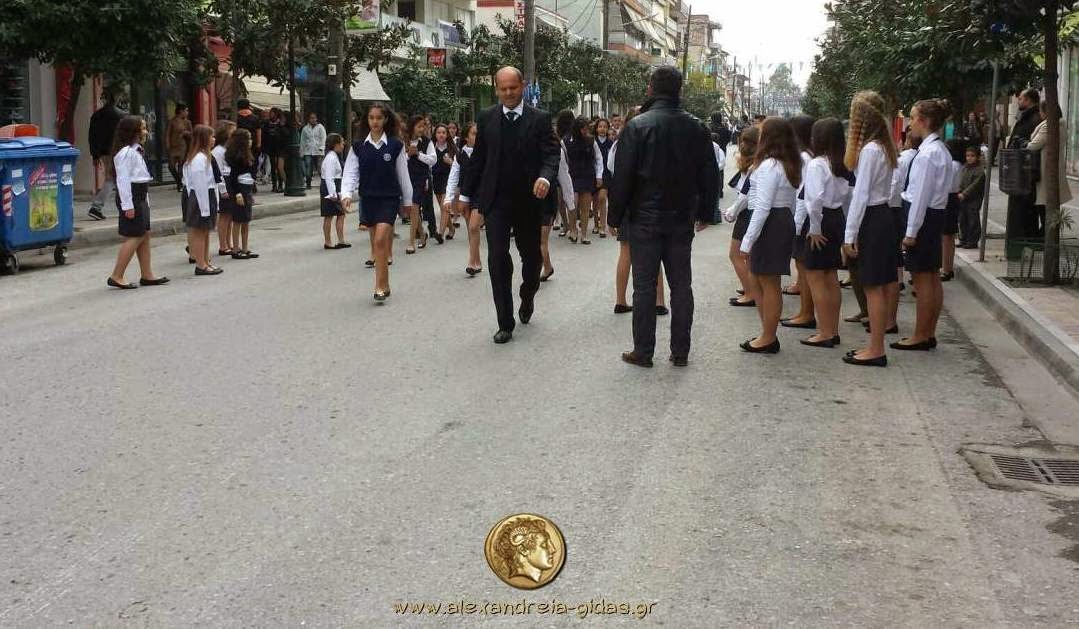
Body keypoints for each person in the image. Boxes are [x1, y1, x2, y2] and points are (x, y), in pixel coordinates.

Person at [608, 66, 718, 367]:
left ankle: (643, 351)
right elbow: (709, 174)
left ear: (650, 89)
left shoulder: (637, 126)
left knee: (644, 286)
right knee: (681, 285)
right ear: (680, 90)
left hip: (644, 217)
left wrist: (614, 216)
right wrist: (706, 211)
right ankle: (680, 351)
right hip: (681, 217)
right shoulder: (697, 127)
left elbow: (623, 176)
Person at [460, 66, 561, 344]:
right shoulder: (486, 117)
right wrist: (465, 195)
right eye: (502, 89)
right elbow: (479, 159)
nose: (508, 93)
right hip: (497, 202)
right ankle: (505, 322)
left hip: (530, 201)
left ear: (522, 86)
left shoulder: (540, 119)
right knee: (497, 259)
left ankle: (527, 295)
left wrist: (545, 177)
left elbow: (551, 155)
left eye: (513, 88)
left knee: (532, 259)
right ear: (496, 89)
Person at [841, 90, 899, 367]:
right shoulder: (884, 147)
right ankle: (876, 345)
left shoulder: (870, 151)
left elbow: (861, 195)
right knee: (880, 286)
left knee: (873, 287)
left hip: (872, 218)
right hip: (882, 215)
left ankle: (876, 349)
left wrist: (849, 235)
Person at [737, 117, 800, 355]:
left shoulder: (769, 166)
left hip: (770, 222)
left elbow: (763, 206)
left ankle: (768, 336)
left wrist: (747, 241)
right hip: (781, 219)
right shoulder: (786, 164)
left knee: (768, 282)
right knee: (762, 278)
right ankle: (767, 331)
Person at [340, 102, 415, 302]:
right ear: (367, 120)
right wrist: (346, 194)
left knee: (381, 239)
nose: (375, 122)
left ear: (386, 119)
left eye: (379, 118)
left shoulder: (395, 145)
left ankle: (380, 286)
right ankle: (384, 282)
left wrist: (408, 200)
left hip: (389, 199)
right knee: (376, 243)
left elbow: (403, 175)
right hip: (368, 198)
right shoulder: (358, 147)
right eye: (371, 118)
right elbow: (350, 172)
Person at [896, 98, 952, 352]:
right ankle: (928, 332)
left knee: (922, 279)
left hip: (923, 217)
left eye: (913, 117)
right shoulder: (939, 150)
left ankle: (921, 334)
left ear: (925, 121)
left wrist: (910, 232)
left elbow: (920, 196)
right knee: (931, 276)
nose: (910, 124)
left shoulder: (927, 155)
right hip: (933, 215)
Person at [607, 107, 668, 317]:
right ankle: (659, 301)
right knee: (655, 253)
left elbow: (613, 173)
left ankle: (620, 300)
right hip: (649, 203)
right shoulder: (654, 143)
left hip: (626, 202)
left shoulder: (618, 146)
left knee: (626, 252)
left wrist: (613, 214)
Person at [799, 118, 849, 348]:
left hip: (822, 220)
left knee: (816, 276)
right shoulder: (840, 162)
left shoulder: (817, 164)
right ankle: (833, 329)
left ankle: (825, 332)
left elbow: (814, 200)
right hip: (836, 216)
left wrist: (815, 228)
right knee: (830, 276)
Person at [107, 115, 168, 289]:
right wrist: (128, 205)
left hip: (140, 195)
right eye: (142, 128)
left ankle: (147, 274)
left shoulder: (136, 151)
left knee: (144, 233)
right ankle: (117, 275)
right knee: (136, 235)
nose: (146, 132)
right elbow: (123, 180)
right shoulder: (126, 153)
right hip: (132, 197)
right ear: (133, 131)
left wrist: (144, 200)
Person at [782, 114, 817, 327]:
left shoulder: (803, 158)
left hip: (803, 218)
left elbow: (803, 195)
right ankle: (805, 312)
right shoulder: (809, 155)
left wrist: (795, 225)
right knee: (802, 266)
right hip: (804, 217)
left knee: (804, 268)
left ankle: (806, 313)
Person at [723, 126, 760, 307]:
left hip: (747, 213)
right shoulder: (759, 162)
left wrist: (732, 212)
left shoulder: (752, 166)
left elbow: (745, 195)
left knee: (736, 254)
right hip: (752, 212)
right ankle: (752, 288)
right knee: (749, 256)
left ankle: (750, 292)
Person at [1027, 100, 1073, 238]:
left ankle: (1046, 237)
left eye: (1041, 111)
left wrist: (1026, 143)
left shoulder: (1050, 125)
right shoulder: (1061, 124)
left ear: (1046, 112)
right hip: (1051, 166)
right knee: (1048, 203)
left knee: (1045, 203)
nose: (1039, 114)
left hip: (1046, 167)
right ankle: (1047, 235)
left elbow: (1034, 145)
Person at [1004, 88, 1042, 256]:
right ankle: (1019, 249)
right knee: (1023, 214)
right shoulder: (1025, 117)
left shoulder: (1033, 119)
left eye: (1020, 98)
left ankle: (1018, 250)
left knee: (1022, 214)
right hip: (1020, 172)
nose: (1018, 101)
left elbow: (1030, 147)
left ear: (1028, 100)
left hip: (1024, 173)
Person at [445, 122, 484, 275]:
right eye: (474, 134)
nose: (477, 137)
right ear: (466, 137)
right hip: (466, 195)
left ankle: (471, 262)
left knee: (474, 226)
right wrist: (448, 198)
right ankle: (477, 261)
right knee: (471, 229)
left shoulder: (486, 153)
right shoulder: (460, 155)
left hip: (482, 194)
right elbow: (453, 177)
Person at [182, 125, 222, 275]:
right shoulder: (198, 159)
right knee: (199, 232)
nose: (214, 139)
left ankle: (206, 261)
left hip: (208, 195)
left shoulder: (206, 156)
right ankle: (200, 264)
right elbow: (199, 185)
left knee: (205, 232)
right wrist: (204, 208)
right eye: (211, 137)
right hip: (201, 197)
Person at [87, 86, 125, 220]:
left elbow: (92, 136)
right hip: (116, 151)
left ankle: (123, 206)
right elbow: (123, 136)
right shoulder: (120, 115)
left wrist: (95, 155)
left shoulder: (96, 116)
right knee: (112, 179)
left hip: (103, 152)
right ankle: (97, 206)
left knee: (115, 178)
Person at [564, 116, 601, 244]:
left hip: (587, 175)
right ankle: (573, 230)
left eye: (587, 129)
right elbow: (563, 159)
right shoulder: (566, 141)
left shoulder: (591, 141)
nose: (585, 131)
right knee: (572, 204)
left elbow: (598, 158)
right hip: (572, 176)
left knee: (585, 206)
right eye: (583, 129)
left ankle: (584, 234)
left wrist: (599, 176)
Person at [404, 115, 438, 252]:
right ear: (412, 127)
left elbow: (433, 160)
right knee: (412, 209)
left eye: (423, 126)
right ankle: (422, 235)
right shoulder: (404, 141)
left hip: (421, 178)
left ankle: (411, 242)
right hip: (407, 177)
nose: (422, 129)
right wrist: (408, 155)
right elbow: (399, 161)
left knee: (414, 206)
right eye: (419, 126)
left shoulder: (427, 142)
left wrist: (418, 154)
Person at [225, 129, 259, 260]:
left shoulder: (248, 154)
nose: (251, 141)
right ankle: (235, 249)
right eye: (249, 138)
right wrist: (238, 193)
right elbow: (233, 177)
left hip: (247, 187)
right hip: (240, 188)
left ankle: (245, 248)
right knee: (238, 220)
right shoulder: (236, 157)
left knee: (246, 219)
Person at [941, 138, 966, 281]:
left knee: (946, 236)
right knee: (948, 236)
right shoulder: (959, 165)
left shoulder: (953, 165)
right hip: (952, 198)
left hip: (948, 198)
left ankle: (946, 268)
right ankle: (947, 267)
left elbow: (947, 184)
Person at [211, 120, 237, 256]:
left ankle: (229, 242)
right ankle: (223, 244)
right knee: (224, 215)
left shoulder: (228, 149)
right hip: (223, 181)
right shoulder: (218, 151)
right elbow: (218, 171)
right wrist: (223, 189)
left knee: (230, 214)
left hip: (229, 179)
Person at [320, 133, 349, 250]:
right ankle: (328, 241)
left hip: (334, 186)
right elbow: (329, 177)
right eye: (341, 143)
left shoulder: (333, 156)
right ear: (336, 144)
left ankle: (340, 240)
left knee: (339, 214)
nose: (343, 145)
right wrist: (333, 194)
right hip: (330, 188)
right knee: (330, 215)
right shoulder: (331, 158)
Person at [431, 124, 457, 240]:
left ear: (447, 135)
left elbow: (459, 165)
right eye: (439, 132)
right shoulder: (431, 147)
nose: (441, 135)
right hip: (436, 179)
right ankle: (451, 229)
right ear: (435, 134)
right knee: (443, 208)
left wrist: (451, 162)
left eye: (443, 133)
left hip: (448, 179)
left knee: (444, 206)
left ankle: (440, 233)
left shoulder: (452, 148)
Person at [957, 145, 986, 249]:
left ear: (978, 157)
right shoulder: (964, 168)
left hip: (974, 199)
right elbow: (960, 180)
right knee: (962, 219)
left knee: (972, 219)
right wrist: (958, 190)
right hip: (962, 198)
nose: (969, 158)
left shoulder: (979, 171)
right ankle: (963, 239)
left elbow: (974, 185)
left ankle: (972, 241)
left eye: (972, 156)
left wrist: (964, 194)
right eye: (967, 156)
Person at [593, 118, 614, 238]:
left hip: (606, 174)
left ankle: (602, 226)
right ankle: (596, 224)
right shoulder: (592, 141)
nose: (602, 129)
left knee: (602, 198)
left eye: (605, 127)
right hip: (593, 173)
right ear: (596, 128)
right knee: (595, 200)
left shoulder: (610, 143)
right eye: (600, 126)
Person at [165, 103, 192, 193]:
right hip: (173, 146)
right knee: (171, 166)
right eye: (186, 110)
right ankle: (178, 181)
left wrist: (186, 133)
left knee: (181, 167)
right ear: (181, 111)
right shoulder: (172, 121)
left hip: (182, 146)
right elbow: (168, 134)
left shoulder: (187, 122)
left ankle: (180, 185)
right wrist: (168, 145)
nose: (187, 112)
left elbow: (192, 134)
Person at [300, 112, 327, 189]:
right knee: (308, 167)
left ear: (316, 118)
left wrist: (322, 147)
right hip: (308, 151)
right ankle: (308, 183)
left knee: (319, 167)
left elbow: (323, 138)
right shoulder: (305, 129)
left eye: (314, 118)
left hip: (318, 151)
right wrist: (301, 151)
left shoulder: (320, 127)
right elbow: (303, 141)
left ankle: (324, 182)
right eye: (311, 118)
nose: (313, 119)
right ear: (309, 119)